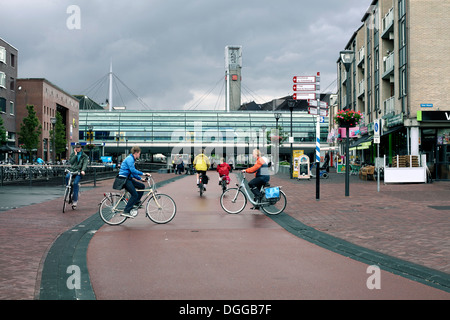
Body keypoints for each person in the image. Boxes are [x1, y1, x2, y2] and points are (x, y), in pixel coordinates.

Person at [119, 146, 150, 217]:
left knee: (141, 186)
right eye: (139, 154)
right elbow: (133, 170)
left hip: (128, 178)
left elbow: (132, 173)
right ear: (135, 153)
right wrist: (144, 174)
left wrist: (141, 179)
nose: (139, 155)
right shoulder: (130, 159)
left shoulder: (132, 159)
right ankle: (126, 211)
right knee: (134, 194)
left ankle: (136, 202)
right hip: (124, 179)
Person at [66, 143, 89, 208]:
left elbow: (85, 163)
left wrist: (83, 170)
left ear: (81, 148)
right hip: (72, 170)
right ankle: (69, 188)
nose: (77, 149)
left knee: (76, 183)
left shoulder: (84, 156)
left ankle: (75, 201)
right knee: (67, 177)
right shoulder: (73, 154)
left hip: (79, 171)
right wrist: (75, 155)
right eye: (76, 148)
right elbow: (71, 162)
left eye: (78, 148)